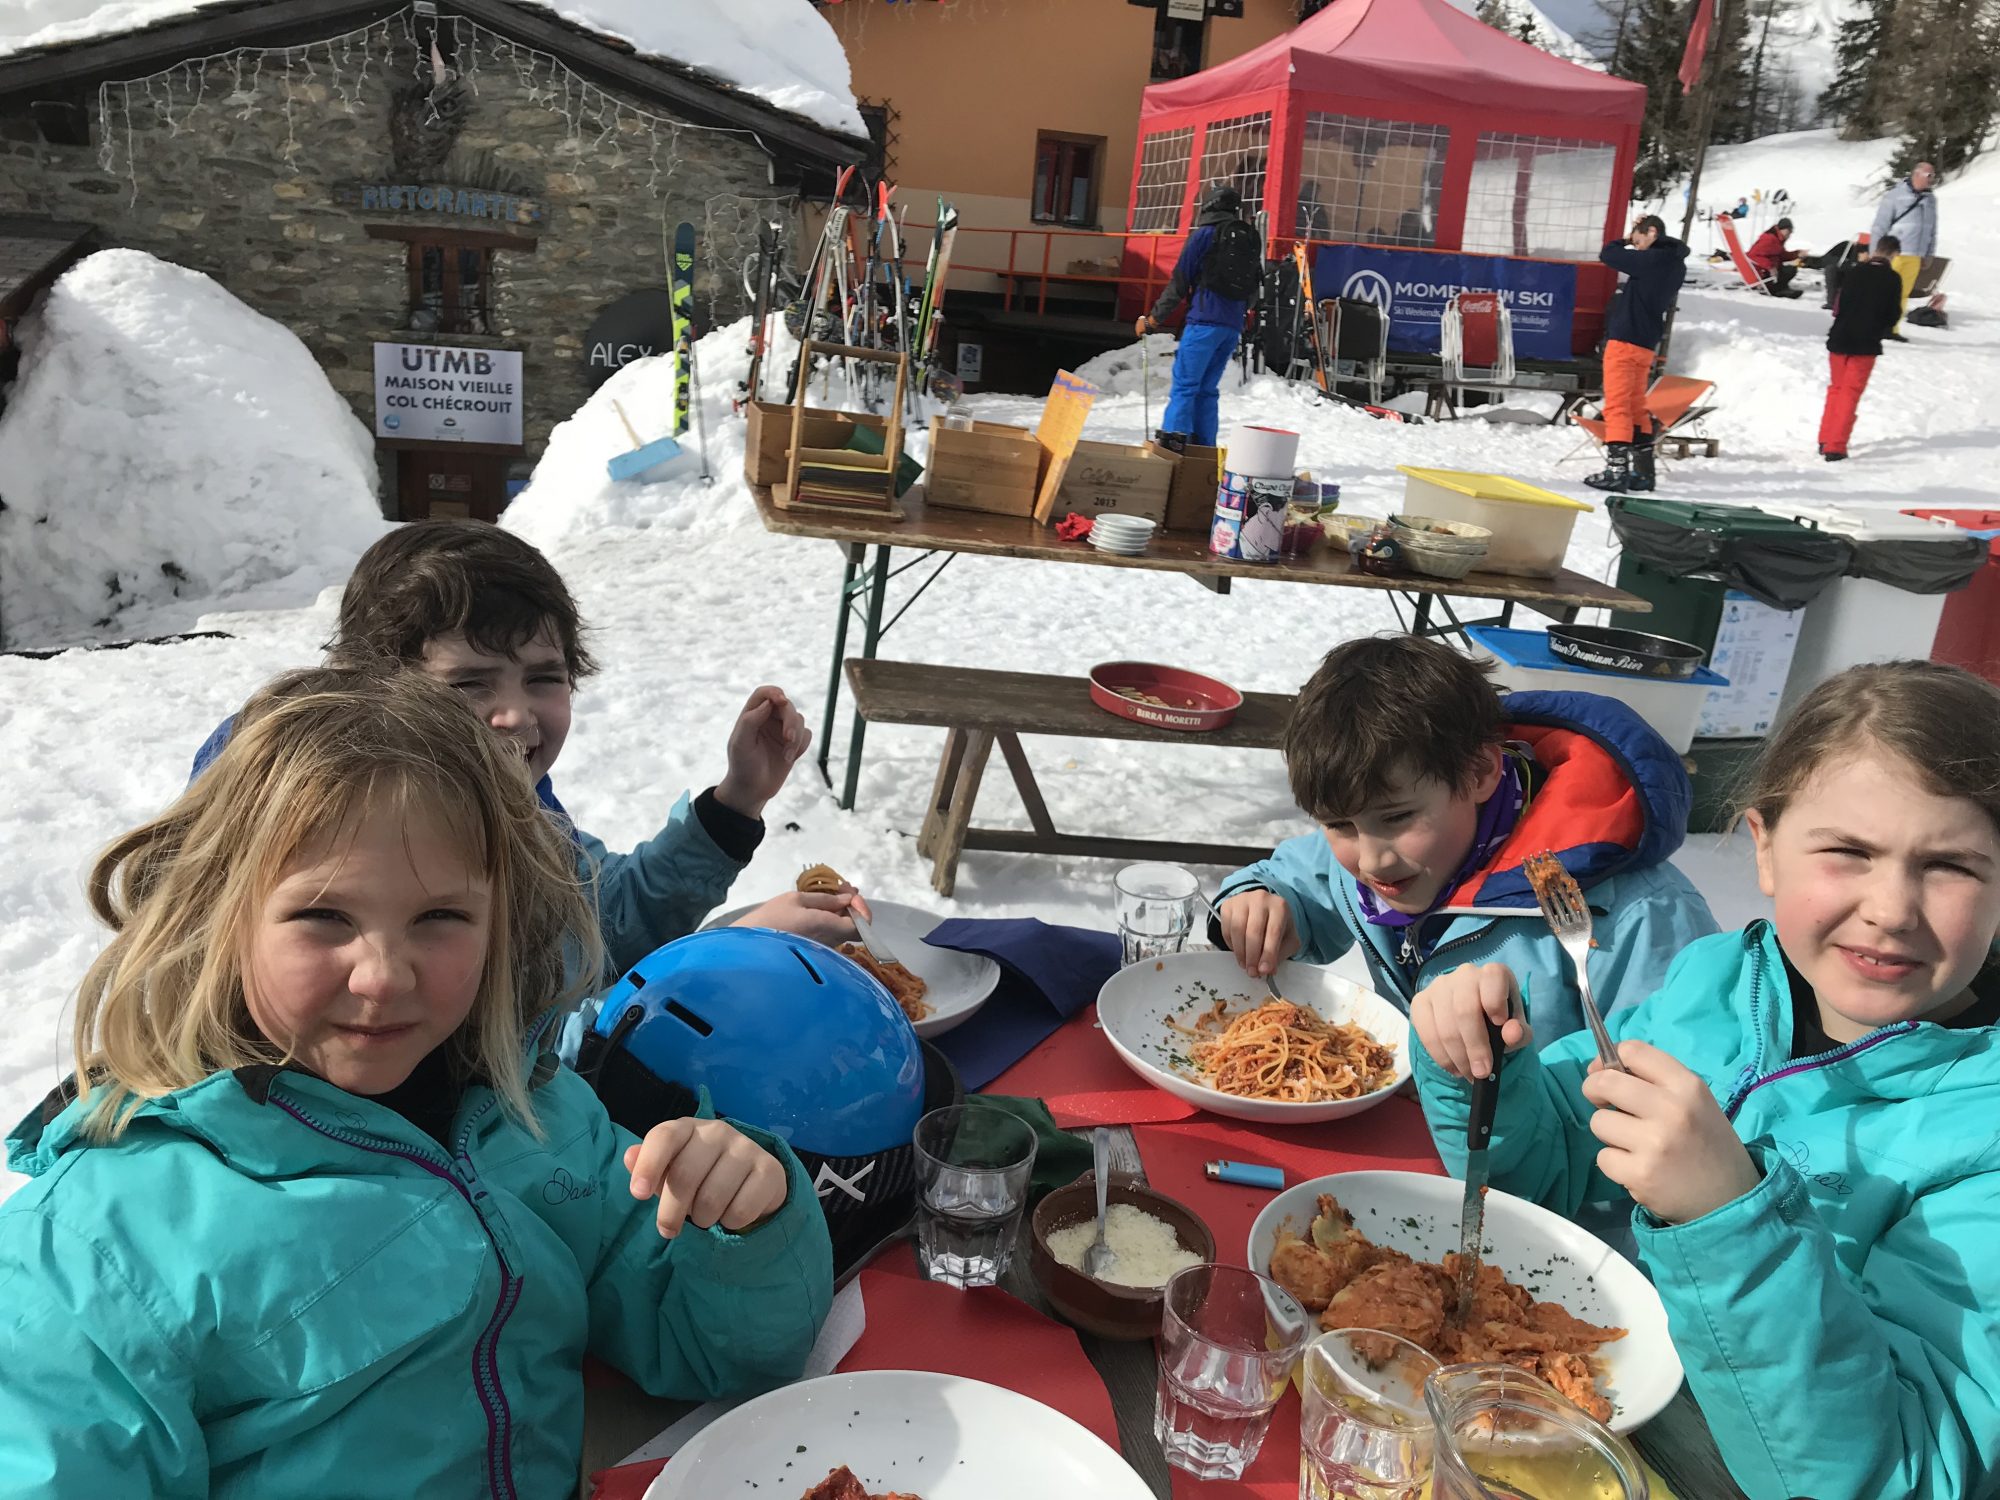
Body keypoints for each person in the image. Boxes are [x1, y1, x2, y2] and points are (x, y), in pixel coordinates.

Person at [0, 668, 835, 1494]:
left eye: (439, 918)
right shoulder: (97, 1247)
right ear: (217, 918)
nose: (382, 976)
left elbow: (715, 1349)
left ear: (500, 922)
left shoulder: (533, 1116)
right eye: (324, 916)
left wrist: (743, 1224)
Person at [1408, 661, 2000, 1500]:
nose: (1892, 907)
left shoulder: (1982, 1139)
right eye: (1847, 852)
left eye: (1952, 866)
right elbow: (1548, 1174)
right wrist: (1487, 1071)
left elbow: (1898, 1475)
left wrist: (1729, 1217)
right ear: (1764, 850)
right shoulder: (1719, 983)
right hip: (1576, 1417)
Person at [190, 521, 864, 982]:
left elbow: (601, 924)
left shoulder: (514, 797)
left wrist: (735, 800)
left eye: (544, 677)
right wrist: (726, 957)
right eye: (467, 684)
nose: (515, 715)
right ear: (374, 692)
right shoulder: (362, 848)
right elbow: (518, 1049)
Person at [1214, 636, 1717, 1051]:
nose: (1371, 859)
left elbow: (1679, 1087)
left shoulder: (1642, 916)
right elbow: (1302, 878)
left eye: (1397, 817)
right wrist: (1259, 899)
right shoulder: (1385, 850)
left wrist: (1517, 1092)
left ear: (1480, 772)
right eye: (1339, 825)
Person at [1134, 184, 1257, 446]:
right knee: (1207, 391)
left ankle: (1173, 443)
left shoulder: (1205, 236)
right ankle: (1204, 447)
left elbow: (1180, 282)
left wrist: (1153, 320)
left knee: (1185, 385)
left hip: (1203, 323)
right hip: (1231, 326)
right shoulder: (1246, 238)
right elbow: (1255, 288)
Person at [1588, 215, 1690, 494]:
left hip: (1625, 340)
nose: (1636, 245)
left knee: (1617, 406)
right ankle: (1644, 474)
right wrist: (1636, 238)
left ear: (1652, 232)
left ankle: (1616, 471)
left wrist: (1624, 239)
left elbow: (1608, 254)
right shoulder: (1675, 263)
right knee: (1635, 407)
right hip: (1645, 342)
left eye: (1639, 239)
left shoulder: (1653, 260)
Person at [1819, 234, 1905, 462]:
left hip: (1839, 337)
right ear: (1894, 254)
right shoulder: (1892, 279)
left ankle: (1825, 437)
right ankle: (1835, 446)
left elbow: (1839, 303)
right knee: (1850, 392)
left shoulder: (1854, 271)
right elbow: (1893, 315)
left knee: (1836, 388)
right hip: (1865, 343)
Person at [1870, 161, 1939, 261]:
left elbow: (1932, 231)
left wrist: (1929, 256)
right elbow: (1879, 227)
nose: (1932, 179)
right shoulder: (1894, 196)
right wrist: (1875, 256)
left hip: (1917, 259)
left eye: (1933, 176)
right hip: (1894, 257)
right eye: (1929, 175)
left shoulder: (1930, 200)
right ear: (1917, 174)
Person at [1746, 216, 1805, 297]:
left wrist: (1797, 254)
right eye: (1789, 231)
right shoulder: (1769, 239)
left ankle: (1781, 288)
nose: (1790, 234)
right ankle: (1776, 290)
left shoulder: (1777, 239)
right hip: (1762, 272)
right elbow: (1753, 255)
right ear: (1782, 229)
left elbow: (1781, 255)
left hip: (1769, 269)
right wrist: (1770, 267)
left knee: (1790, 269)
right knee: (1788, 271)